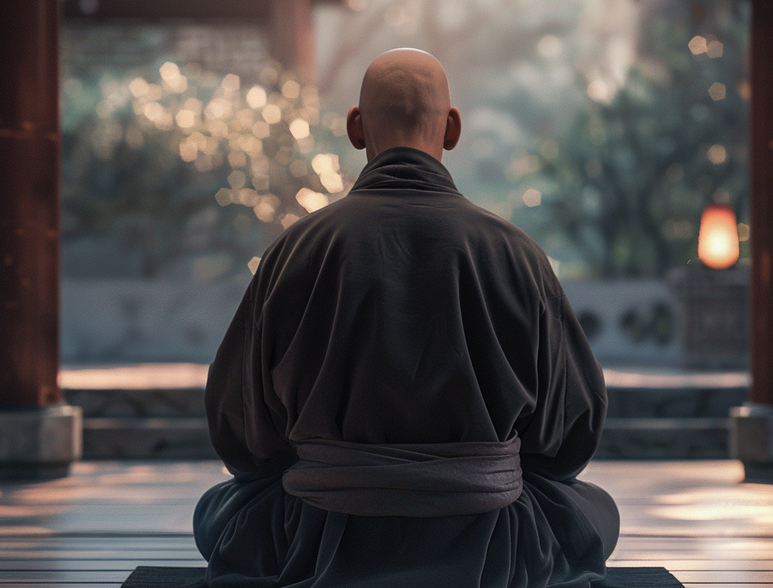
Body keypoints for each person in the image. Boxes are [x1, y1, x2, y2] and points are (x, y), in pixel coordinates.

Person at [194, 49, 619, 587]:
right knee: (596, 512)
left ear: (355, 127)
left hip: (317, 532)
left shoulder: (296, 251)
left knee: (215, 513)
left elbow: (241, 434)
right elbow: (568, 437)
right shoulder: (516, 254)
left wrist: (342, 471)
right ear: (453, 128)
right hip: (492, 541)